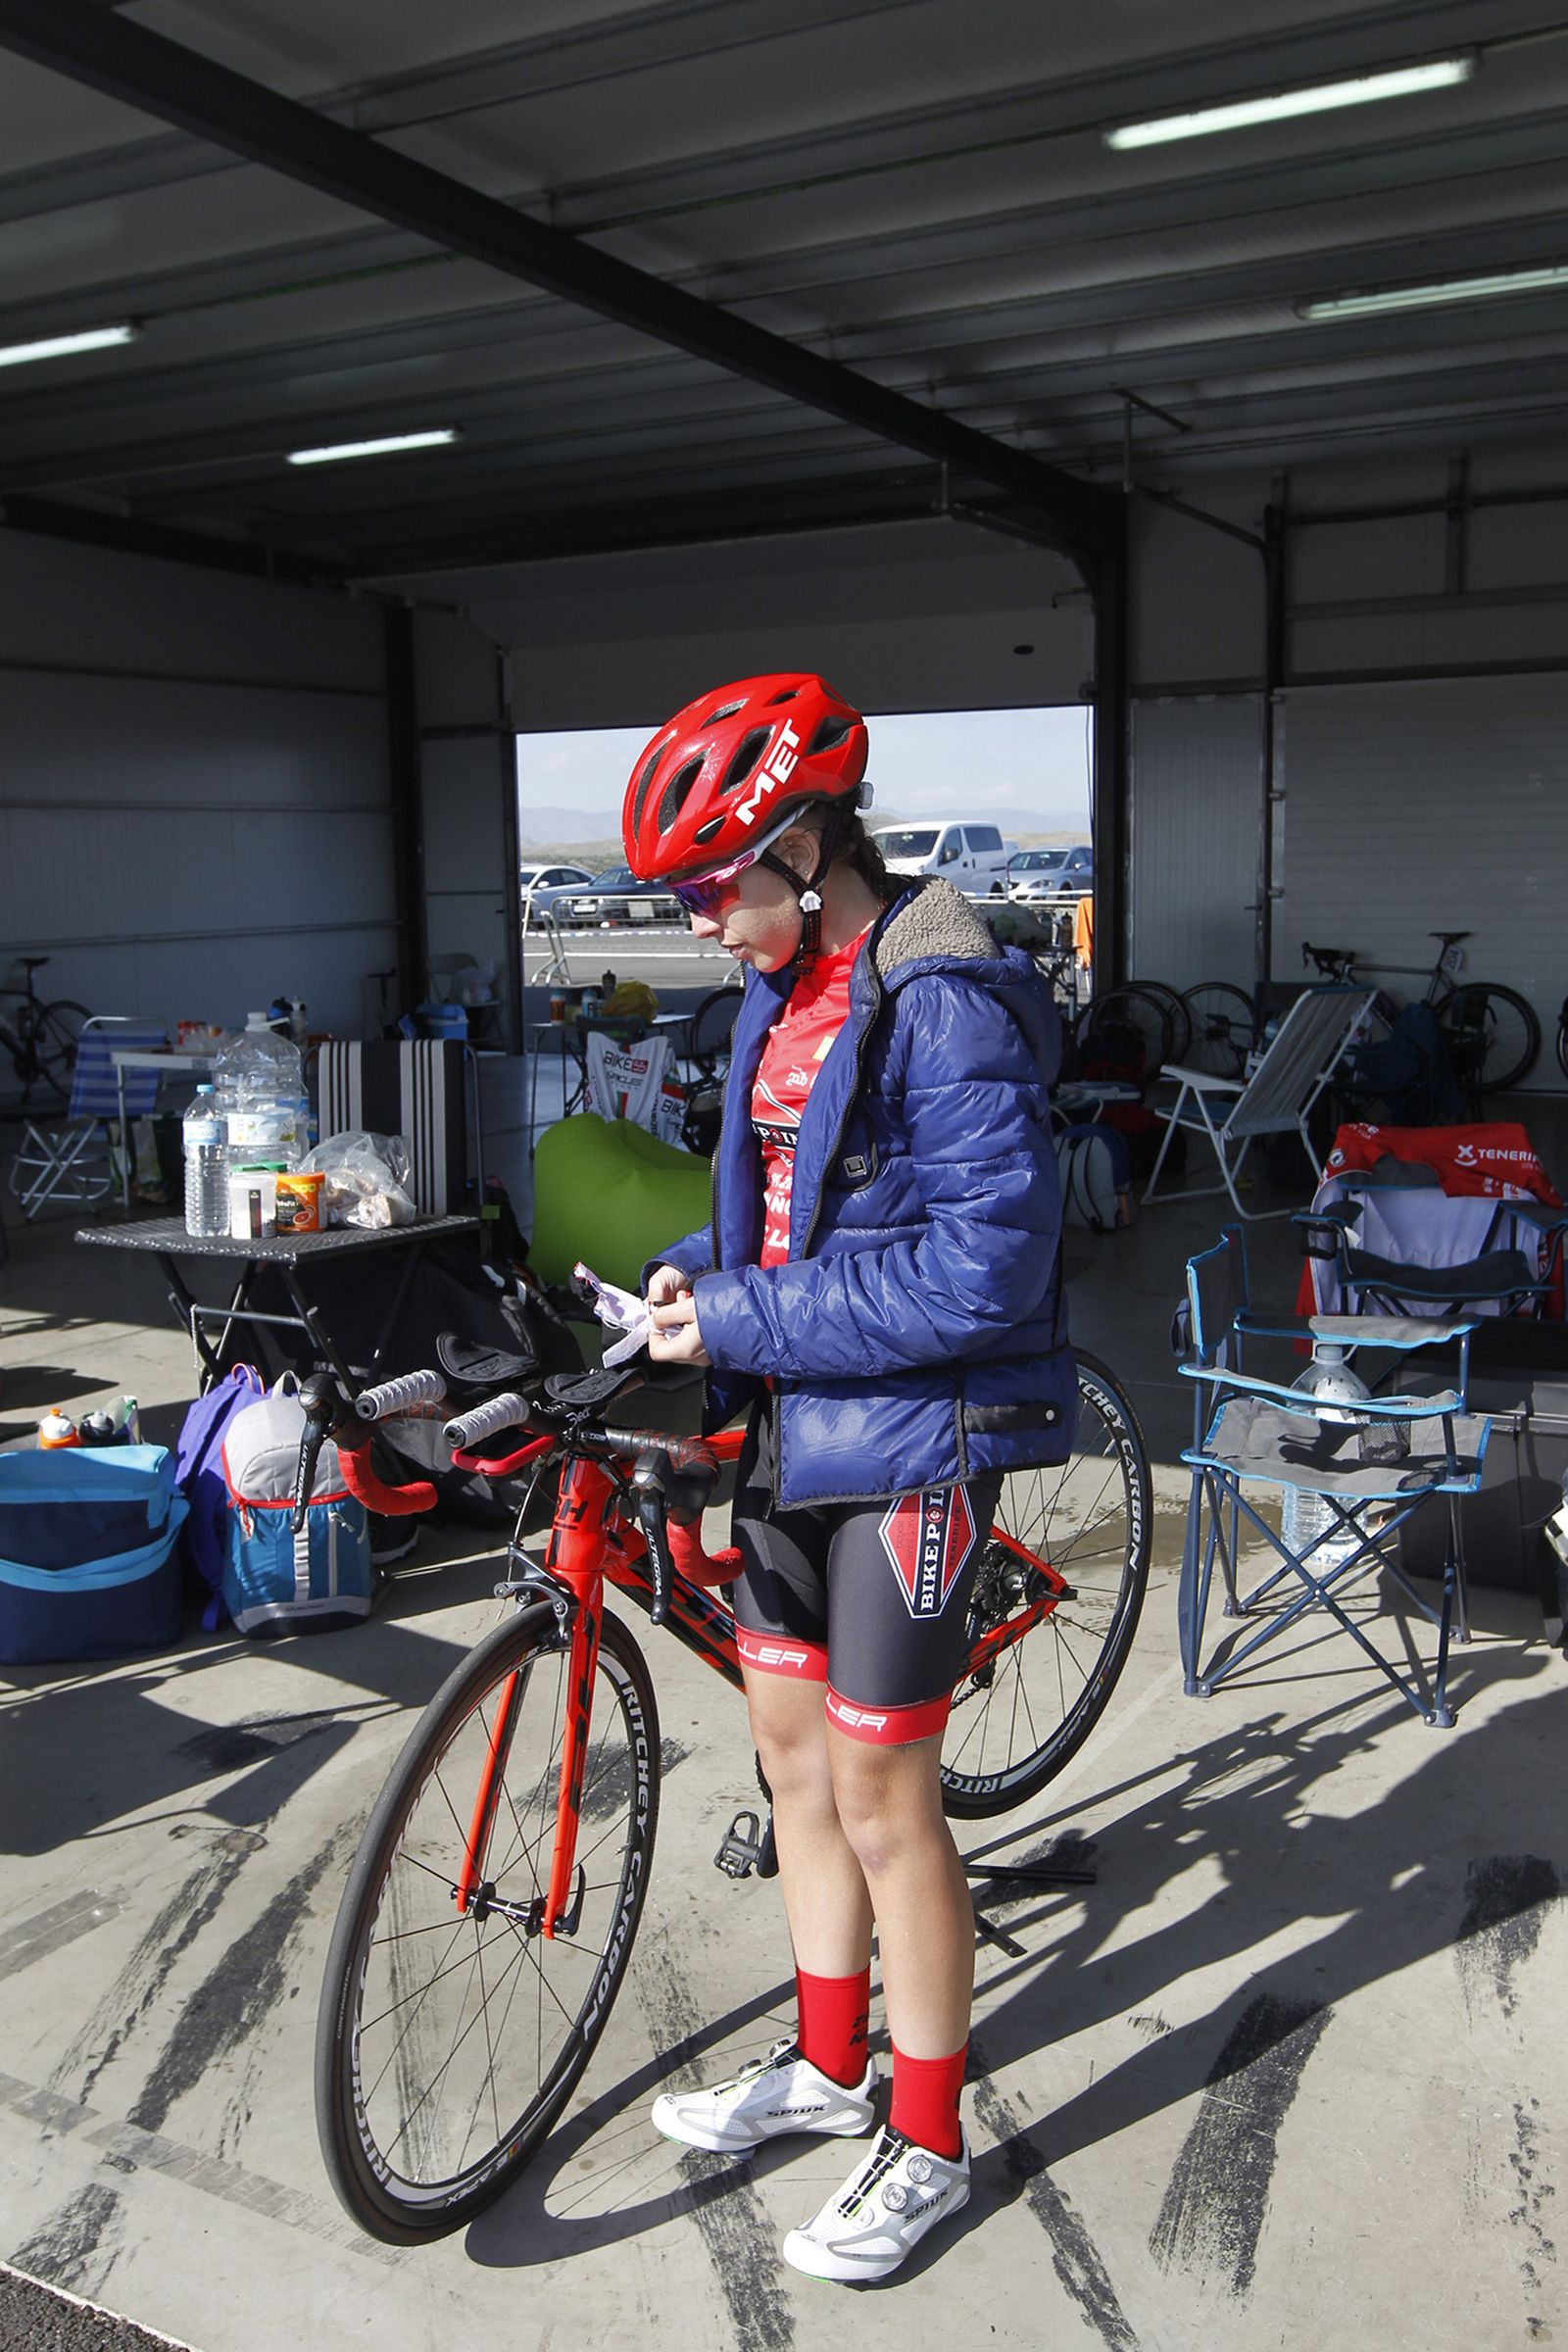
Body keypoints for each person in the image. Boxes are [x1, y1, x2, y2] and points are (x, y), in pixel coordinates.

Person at [623, 672, 1072, 2283]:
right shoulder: (783, 986)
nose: (699, 926)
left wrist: (744, 1316)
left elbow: (982, 1274)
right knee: (793, 1772)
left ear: (807, 852)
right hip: (794, 1434)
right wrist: (690, 1280)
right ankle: (828, 2068)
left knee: (888, 1804)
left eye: (710, 889)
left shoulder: (943, 999)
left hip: (914, 1448)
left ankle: (930, 2139)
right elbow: (788, 1211)